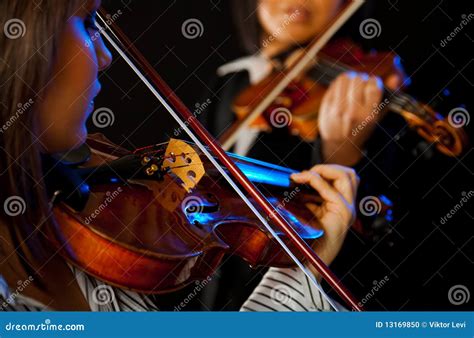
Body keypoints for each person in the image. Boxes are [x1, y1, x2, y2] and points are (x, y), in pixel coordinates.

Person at [0, 0, 358, 311]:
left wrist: (298, 272)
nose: (107, 56)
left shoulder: (71, 225)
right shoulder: (227, 85)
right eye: (87, 20)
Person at [200, 0, 467, 310]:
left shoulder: (369, 92)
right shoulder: (227, 81)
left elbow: (386, 252)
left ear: (344, 7)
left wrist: (341, 153)